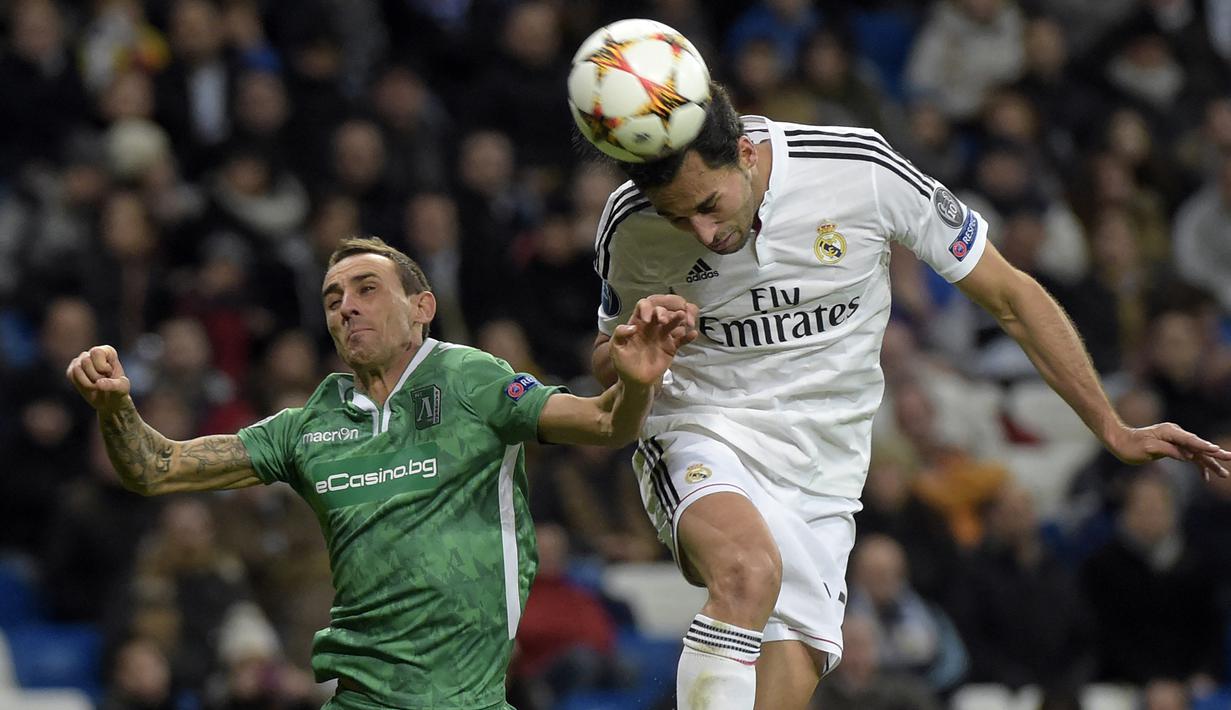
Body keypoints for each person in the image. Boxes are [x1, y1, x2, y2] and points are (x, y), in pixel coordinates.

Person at [587, 80, 1231, 709]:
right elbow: (607, 361)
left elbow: (1010, 296)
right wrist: (637, 357)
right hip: (704, 428)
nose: (701, 232)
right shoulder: (631, 223)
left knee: (784, 686)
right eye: (678, 218)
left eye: (708, 205)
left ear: (746, 153)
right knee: (745, 572)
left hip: (823, 471)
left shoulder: (860, 170)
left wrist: (1113, 427)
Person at [67, 236, 693, 710]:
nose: (346, 307)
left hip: (469, 699)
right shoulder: (306, 427)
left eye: (367, 289)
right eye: (333, 299)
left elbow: (605, 422)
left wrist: (637, 382)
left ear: (423, 307)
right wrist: (115, 408)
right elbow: (155, 469)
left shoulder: (471, 380)